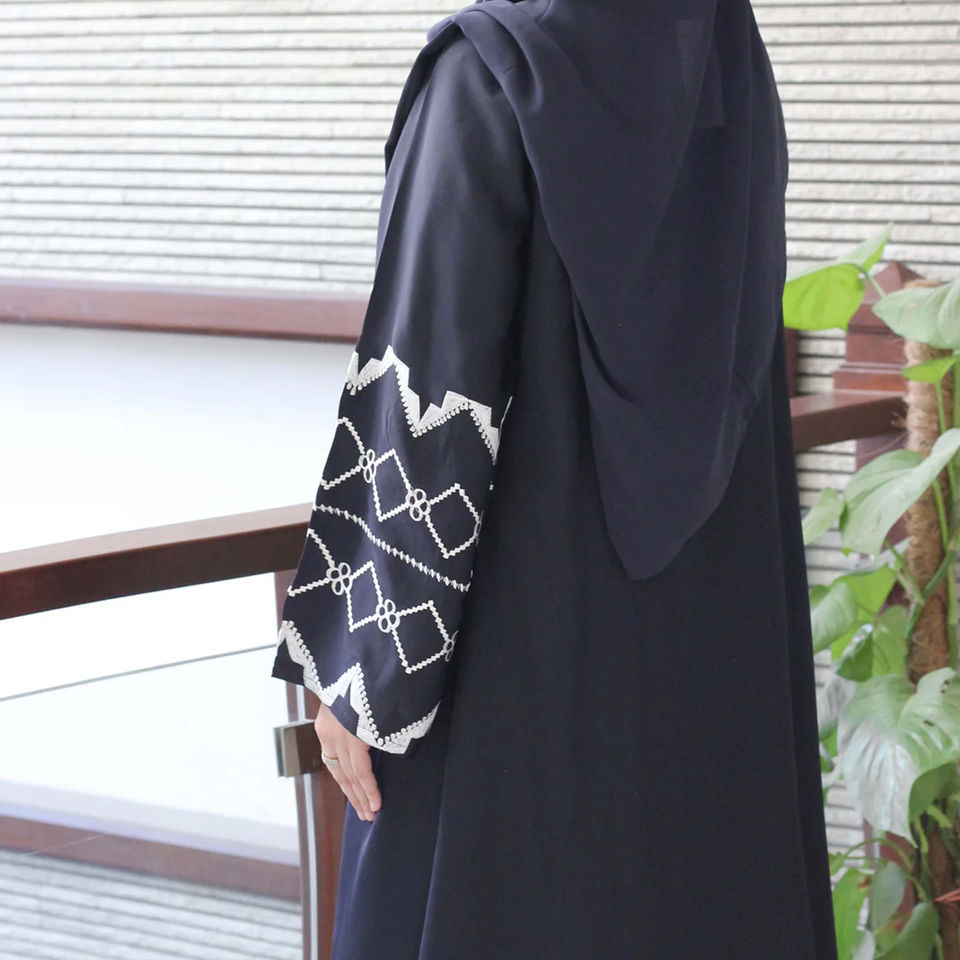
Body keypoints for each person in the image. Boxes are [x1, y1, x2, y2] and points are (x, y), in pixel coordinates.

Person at [270, 0, 839, 956]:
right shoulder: (723, 61)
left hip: (515, 664)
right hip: (705, 655)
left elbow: (426, 390)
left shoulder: (490, 74)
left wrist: (363, 675)